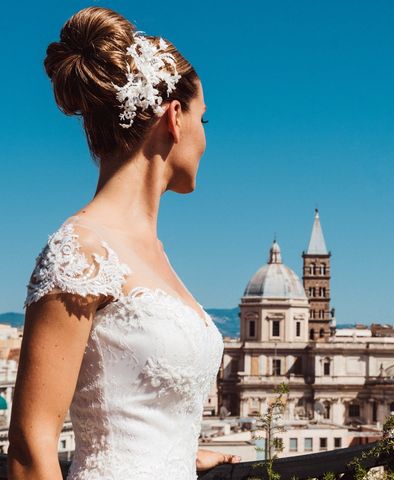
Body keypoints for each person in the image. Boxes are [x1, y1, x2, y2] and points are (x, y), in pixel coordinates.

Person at [7, 7, 240, 479]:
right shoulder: (81, 249)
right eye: (205, 121)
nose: (206, 140)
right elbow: (31, 449)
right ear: (175, 118)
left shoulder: (154, 253)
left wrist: (176, 459)